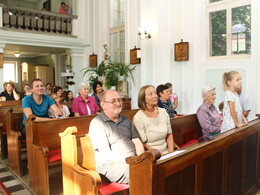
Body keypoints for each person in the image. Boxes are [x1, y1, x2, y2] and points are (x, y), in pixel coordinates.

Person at [89, 90, 144, 184]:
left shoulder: (125, 119)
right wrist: (132, 162)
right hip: (110, 165)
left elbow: (137, 141)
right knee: (140, 172)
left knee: (153, 167)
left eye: (119, 100)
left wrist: (142, 159)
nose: (118, 103)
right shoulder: (97, 123)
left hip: (132, 161)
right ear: (103, 104)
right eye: (113, 101)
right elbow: (106, 153)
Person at [133, 85, 178, 155]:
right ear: (143, 98)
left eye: (155, 93)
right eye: (150, 94)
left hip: (166, 152)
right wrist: (159, 153)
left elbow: (169, 134)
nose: (155, 96)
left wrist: (171, 153)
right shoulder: (138, 117)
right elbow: (142, 143)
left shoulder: (163, 112)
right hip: (151, 155)